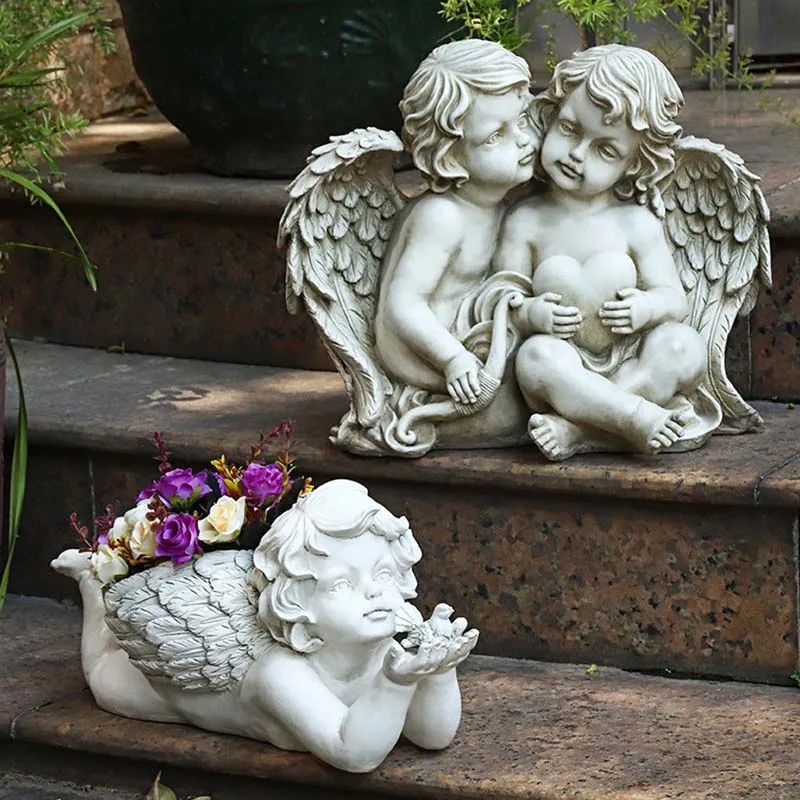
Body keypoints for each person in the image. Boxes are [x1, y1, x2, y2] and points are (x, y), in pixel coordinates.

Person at [51, 480, 477, 773]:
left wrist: (438, 670)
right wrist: (397, 684)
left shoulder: (382, 644)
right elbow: (354, 753)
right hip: (171, 692)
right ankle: (91, 582)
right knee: (105, 678)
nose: (374, 594)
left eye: (383, 574)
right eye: (343, 584)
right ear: (299, 605)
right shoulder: (281, 673)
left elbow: (432, 735)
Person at [493, 44, 707, 460]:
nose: (577, 155)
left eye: (605, 150)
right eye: (569, 129)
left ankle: (578, 429)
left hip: (632, 359)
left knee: (684, 345)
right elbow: (503, 298)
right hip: (565, 363)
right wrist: (532, 313)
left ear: (633, 164)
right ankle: (633, 417)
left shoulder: (636, 223)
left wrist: (645, 308)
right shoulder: (525, 220)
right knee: (535, 357)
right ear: (552, 115)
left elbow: (674, 299)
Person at [374, 38, 535, 407]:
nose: (523, 140)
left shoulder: (500, 200)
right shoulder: (443, 216)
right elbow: (403, 305)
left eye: (522, 120)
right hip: (430, 357)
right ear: (449, 156)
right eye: (497, 136)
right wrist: (452, 358)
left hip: (474, 341)